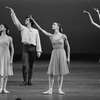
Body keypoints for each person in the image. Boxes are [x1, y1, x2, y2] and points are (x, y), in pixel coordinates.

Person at [30, 16, 70, 95]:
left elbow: (68, 46)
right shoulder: (51, 36)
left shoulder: (63, 36)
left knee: (61, 73)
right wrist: (33, 21)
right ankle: (50, 89)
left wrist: (68, 57)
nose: (52, 25)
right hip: (54, 53)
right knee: (51, 72)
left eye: (54, 24)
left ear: (58, 26)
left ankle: (59, 89)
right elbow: (41, 29)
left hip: (62, 53)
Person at [6, 7, 42, 86]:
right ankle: (25, 80)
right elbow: (16, 22)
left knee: (31, 65)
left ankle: (29, 80)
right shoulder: (23, 28)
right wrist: (12, 13)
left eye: (27, 19)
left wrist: (39, 51)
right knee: (24, 65)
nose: (25, 20)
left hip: (33, 48)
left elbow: (38, 41)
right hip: (25, 48)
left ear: (30, 22)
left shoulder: (35, 31)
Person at [0, 24, 14, 93]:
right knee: (1, 72)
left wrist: (11, 58)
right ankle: (0, 88)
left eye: (1, 26)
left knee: (6, 72)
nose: (0, 27)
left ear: (5, 28)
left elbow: (12, 49)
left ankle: (4, 88)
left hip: (7, 55)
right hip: (0, 55)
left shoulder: (9, 38)